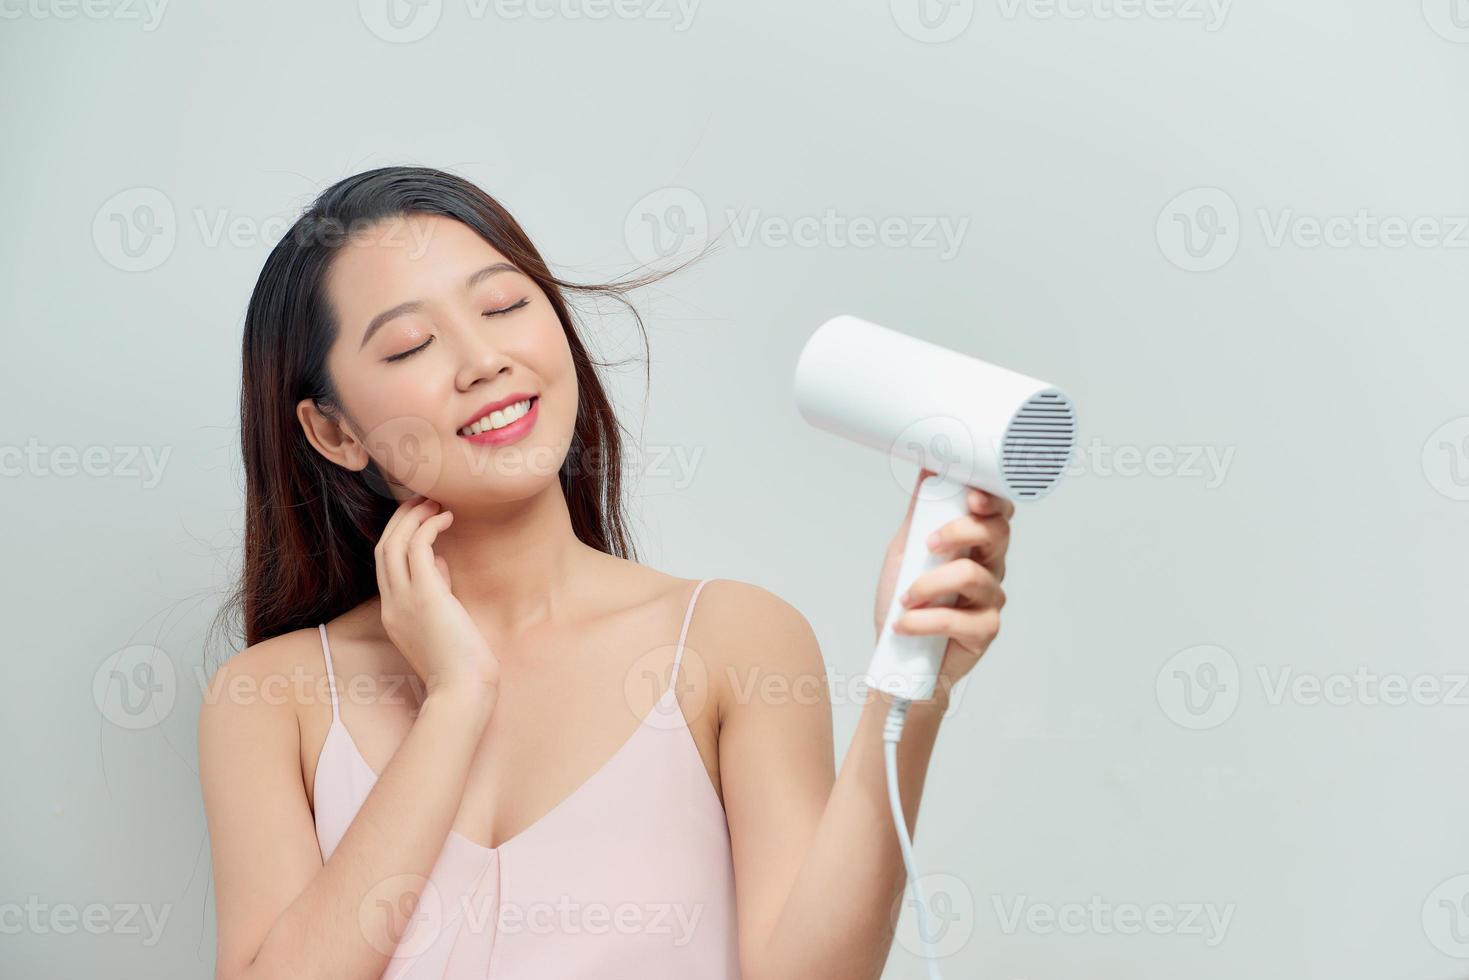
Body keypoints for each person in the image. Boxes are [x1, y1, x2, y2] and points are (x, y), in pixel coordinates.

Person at [197, 165, 1013, 979]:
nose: (483, 360)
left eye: (505, 306)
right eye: (412, 345)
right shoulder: (272, 700)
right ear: (335, 432)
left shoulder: (731, 641)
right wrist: (454, 701)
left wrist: (911, 688)